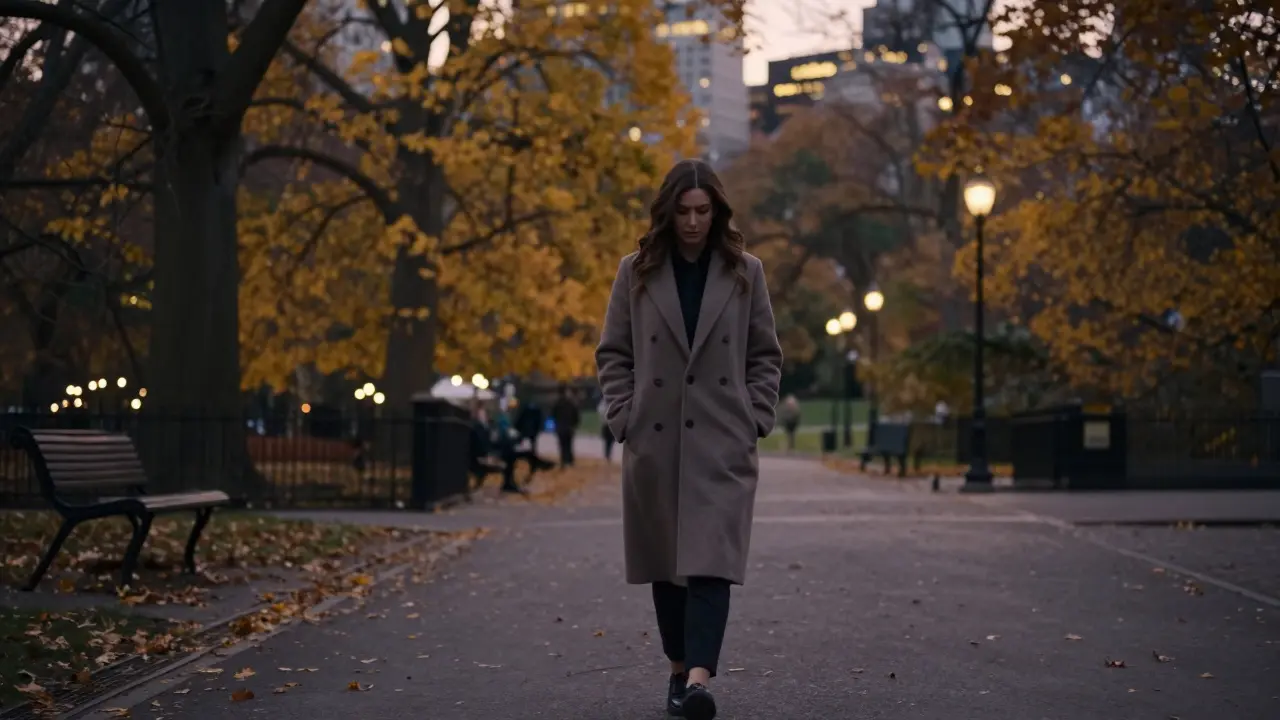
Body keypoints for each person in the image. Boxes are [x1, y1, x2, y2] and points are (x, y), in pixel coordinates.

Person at [595, 158, 783, 720]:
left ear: (718, 211)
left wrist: (754, 415)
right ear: (668, 212)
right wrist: (624, 415)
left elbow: (765, 354)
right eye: (683, 211)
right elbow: (614, 353)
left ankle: (699, 681)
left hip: (721, 440)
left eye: (703, 211)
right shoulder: (638, 271)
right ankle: (679, 673)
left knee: (710, 563)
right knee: (667, 567)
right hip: (656, 437)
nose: (694, 222)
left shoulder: (747, 271)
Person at [550, 384, 580, 468]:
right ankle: (569, 460)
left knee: (562, 444)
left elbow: (553, 414)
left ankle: (563, 460)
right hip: (569, 427)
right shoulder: (570, 403)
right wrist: (575, 424)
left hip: (560, 426)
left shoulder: (557, 403)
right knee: (569, 444)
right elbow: (576, 414)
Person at [598, 396, 615, 462]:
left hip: (609, 424)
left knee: (610, 441)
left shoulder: (610, 402)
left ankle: (608, 454)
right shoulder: (603, 404)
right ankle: (607, 454)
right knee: (607, 441)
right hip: (606, 424)